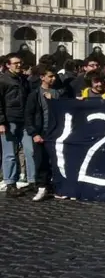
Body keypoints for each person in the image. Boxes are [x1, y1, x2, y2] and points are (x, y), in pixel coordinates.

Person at [0, 53, 34, 197]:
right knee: (10, 154)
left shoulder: (24, 79)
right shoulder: (2, 80)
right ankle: (10, 183)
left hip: (24, 120)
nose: (19, 65)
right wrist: (1, 122)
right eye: (15, 63)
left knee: (30, 151)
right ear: (8, 65)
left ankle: (32, 181)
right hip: (9, 120)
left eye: (20, 62)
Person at [24, 65, 59, 201]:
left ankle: (54, 186)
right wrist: (34, 133)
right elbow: (29, 115)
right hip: (41, 131)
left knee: (55, 161)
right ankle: (42, 187)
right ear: (42, 77)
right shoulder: (35, 94)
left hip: (55, 132)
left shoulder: (58, 93)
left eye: (54, 76)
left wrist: (53, 102)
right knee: (41, 160)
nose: (53, 79)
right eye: (50, 76)